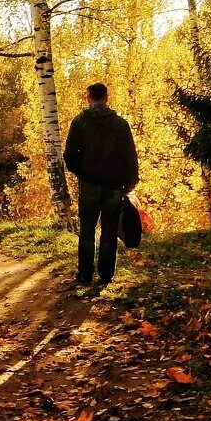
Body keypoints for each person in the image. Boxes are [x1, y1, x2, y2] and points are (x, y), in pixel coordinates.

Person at [63, 82, 139, 287]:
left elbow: (69, 155)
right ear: (107, 97)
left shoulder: (79, 123)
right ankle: (105, 275)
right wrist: (130, 182)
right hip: (114, 185)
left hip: (89, 183)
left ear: (88, 98)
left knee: (87, 229)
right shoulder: (120, 125)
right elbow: (130, 156)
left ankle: (85, 274)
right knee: (109, 229)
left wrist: (82, 172)